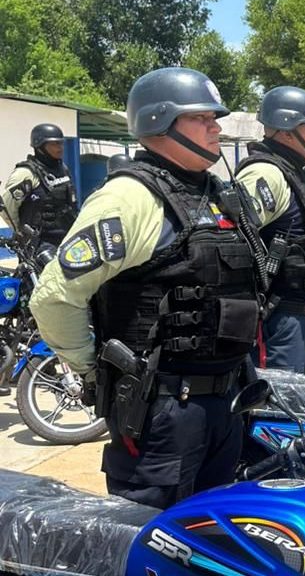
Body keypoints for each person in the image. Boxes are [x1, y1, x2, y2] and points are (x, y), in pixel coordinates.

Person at [29, 67, 262, 508]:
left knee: (212, 541)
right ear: (160, 121)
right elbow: (54, 297)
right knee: (150, 540)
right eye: (202, 117)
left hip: (225, 403)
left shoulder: (216, 194)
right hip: (162, 412)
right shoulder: (130, 198)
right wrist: (93, 371)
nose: (216, 127)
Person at [235, 86, 305, 373]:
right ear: (286, 129)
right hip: (279, 321)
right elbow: (235, 242)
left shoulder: (293, 173)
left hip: (299, 321)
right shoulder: (266, 174)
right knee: (280, 412)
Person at [1, 123, 78, 248]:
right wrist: (21, 232)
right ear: (39, 146)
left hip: (66, 240)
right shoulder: (26, 173)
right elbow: (7, 208)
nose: (60, 148)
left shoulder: (63, 169)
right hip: (39, 245)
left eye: (60, 143)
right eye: (54, 144)